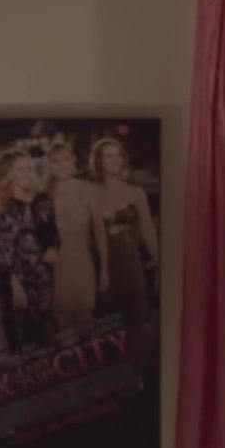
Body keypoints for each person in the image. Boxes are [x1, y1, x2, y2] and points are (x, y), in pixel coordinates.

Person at [0, 149, 59, 354]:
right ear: (8, 174)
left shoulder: (42, 201)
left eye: (29, 168)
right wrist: (15, 286)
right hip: (17, 284)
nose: (27, 173)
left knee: (48, 342)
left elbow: (53, 234)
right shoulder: (0, 208)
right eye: (20, 169)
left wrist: (52, 247)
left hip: (45, 280)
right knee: (26, 348)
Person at [88, 137, 161, 325]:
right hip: (107, 261)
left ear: (123, 159)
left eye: (117, 155)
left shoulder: (136, 192)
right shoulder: (93, 194)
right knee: (111, 324)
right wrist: (104, 270)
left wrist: (158, 261)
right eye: (108, 156)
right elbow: (99, 235)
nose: (114, 160)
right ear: (99, 161)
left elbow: (148, 229)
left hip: (132, 261)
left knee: (138, 316)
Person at [44, 140, 109, 333]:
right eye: (56, 161)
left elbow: (100, 233)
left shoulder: (89, 189)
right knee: (62, 325)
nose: (62, 165)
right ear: (50, 165)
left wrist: (104, 270)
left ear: (74, 161)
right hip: (54, 271)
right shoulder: (44, 195)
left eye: (66, 159)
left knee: (85, 321)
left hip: (82, 265)